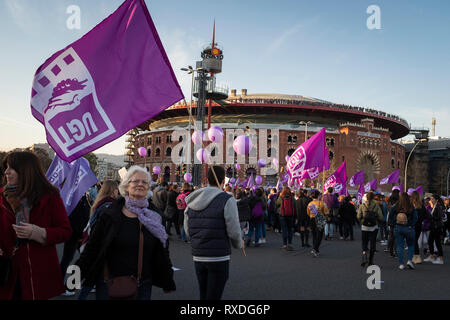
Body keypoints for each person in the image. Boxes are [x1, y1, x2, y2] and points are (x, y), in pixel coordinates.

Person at [75, 166, 176, 300]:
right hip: (108, 283)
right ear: (126, 186)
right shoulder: (110, 214)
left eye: (144, 182)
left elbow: (162, 250)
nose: (140, 184)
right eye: (135, 181)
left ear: (148, 188)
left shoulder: (155, 216)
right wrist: (74, 278)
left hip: (142, 286)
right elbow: (92, 248)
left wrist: (167, 280)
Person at [0, 151, 72, 300]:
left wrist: (37, 232)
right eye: (6, 167)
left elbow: (65, 231)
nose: (6, 171)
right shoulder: (2, 196)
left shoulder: (50, 196)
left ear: (25, 170)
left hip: (38, 272)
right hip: (7, 271)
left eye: (11, 168)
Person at [184, 166, 242, 300]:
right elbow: (234, 230)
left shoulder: (192, 199)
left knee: (203, 294)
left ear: (207, 179)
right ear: (223, 180)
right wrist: (238, 244)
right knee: (214, 296)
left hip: (198, 255)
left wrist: (197, 240)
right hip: (218, 256)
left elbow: (187, 230)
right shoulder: (227, 199)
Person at [78, 180, 119, 300]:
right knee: (96, 279)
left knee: (91, 279)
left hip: (95, 247)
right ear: (113, 190)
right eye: (117, 189)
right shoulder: (110, 206)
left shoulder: (100, 203)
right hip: (102, 249)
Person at [59, 194, 91, 296]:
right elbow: (75, 218)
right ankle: (63, 286)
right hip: (75, 235)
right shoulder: (76, 199)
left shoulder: (82, 198)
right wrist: (81, 233)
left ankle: (71, 285)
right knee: (72, 260)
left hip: (78, 234)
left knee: (82, 260)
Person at [390, 192, 418, 270]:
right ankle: (409, 260)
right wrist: (410, 224)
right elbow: (415, 218)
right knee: (411, 245)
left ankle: (401, 264)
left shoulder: (396, 206)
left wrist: (394, 223)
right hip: (409, 228)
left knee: (400, 245)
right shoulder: (411, 206)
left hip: (398, 227)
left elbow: (391, 216)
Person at [357, 192, 383, 267]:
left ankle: (364, 256)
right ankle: (371, 260)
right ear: (373, 198)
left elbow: (358, 216)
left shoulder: (362, 205)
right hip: (374, 227)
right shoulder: (376, 206)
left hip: (364, 227)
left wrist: (362, 221)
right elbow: (381, 217)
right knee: (372, 243)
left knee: (364, 243)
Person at [423, 194, 445, 264]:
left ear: (436, 200)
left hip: (437, 227)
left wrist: (430, 217)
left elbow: (439, 217)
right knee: (430, 241)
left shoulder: (438, 207)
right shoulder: (433, 207)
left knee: (437, 242)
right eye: (430, 199)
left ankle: (440, 258)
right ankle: (432, 256)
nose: (430, 200)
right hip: (433, 227)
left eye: (432, 199)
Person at [307, 190, 328, 257]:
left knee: (314, 234)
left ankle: (315, 249)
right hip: (320, 219)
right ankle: (315, 249)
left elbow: (308, 212)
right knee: (319, 235)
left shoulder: (310, 203)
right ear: (318, 196)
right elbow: (326, 212)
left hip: (312, 219)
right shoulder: (322, 203)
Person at [410, 191, 427, 264]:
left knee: (413, 241)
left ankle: (417, 256)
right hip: (419, 225)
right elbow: (425, 215)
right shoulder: (422, 206)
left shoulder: (411, 205)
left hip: (413, 225)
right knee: (415, 240)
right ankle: (415, 256)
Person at [386, 189, 400, 257]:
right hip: (398, 220)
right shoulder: (399, 201)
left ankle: (390, 250)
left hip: (391, 220)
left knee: (391, 236)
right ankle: (396, 251)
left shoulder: (390, 200)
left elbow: (388, 209)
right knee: (397, 237)